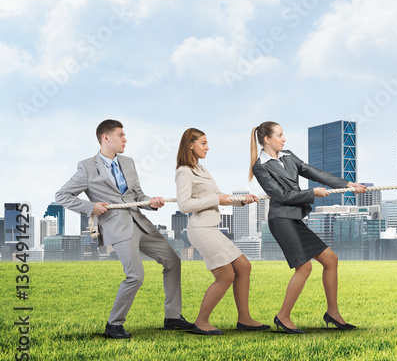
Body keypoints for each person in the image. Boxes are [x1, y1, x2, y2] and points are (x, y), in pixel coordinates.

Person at [56, 119, 194, 338]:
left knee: (173, 261)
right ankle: (114, 324)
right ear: (106, 138)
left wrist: (151, 202)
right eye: (121, 135)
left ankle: (173, 317)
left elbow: (137, 196)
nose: (125, 139)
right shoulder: (86, 167)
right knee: (135, 276)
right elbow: (62, 196)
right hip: (117, 227)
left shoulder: (128, 162)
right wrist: (91, 207)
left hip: (140, 223)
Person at [249, 121, 367, 333]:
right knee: (304, 267)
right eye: (280, 135)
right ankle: (282, 317)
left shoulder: (288, 156)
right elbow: (282, 196)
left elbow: (312, 172)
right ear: (267, 139)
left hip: (294, 218)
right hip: (281, 220)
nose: (284, 139)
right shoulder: (260, 167)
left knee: (330, 259)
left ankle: (333, 313)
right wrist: (312, 194)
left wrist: (346, 185)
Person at [175, 128, 269, 335]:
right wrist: (216, 200)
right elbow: (184, 205)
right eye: (203, 143)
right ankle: (201, 322)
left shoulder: (201, 169)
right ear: (191, 145)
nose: (208, 147)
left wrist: (242, 200)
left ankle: (244, 319)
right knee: (225, 275)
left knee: (243, 266)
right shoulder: (184, 171)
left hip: (211, 227)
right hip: (200, 229)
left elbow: (217, 194)